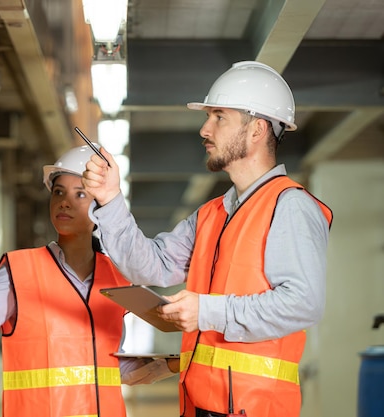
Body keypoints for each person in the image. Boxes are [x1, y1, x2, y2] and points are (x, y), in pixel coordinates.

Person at [81, 61, 333, 417]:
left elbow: (303, 304)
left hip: (254, 409)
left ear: (257, 129)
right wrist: (110, 200)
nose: (205, 128)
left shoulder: (290, 206)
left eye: (219, 117)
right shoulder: (211, 214)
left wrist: (206, 311)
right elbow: (151, 265)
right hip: (199, 404)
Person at [0, 144, 179, 417]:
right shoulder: (20, 271)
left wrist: (173, 364)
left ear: (100, 209)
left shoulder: (117, 279)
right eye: (58, 193)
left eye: (80, 194)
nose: (64, 202)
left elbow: (112, 367)